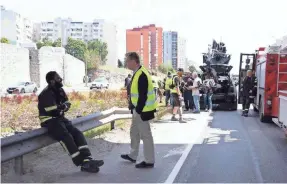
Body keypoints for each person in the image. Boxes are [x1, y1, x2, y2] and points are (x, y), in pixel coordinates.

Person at [38, 71, 104, 173]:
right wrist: (62, 107)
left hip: (60, 118)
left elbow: (66, 102)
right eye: (58, 78)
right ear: (52, 81)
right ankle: (82, 163)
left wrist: (65, 106)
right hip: (49, 120)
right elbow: (50, 109)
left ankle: (87, 159)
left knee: (77, 134)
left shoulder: (60, 90)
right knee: (66, 137)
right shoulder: (45, 93)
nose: (61, 79)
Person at [121, 52, 156, 168]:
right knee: (134, 132)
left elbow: (143, 95)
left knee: (145, 135)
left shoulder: (141, 74)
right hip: (138, 110)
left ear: (133, 61)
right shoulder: (137, 73)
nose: (126, 63)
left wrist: (139, 110)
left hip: (142, 111)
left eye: (127, 61)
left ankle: (149, 160)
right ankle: (133, 155)